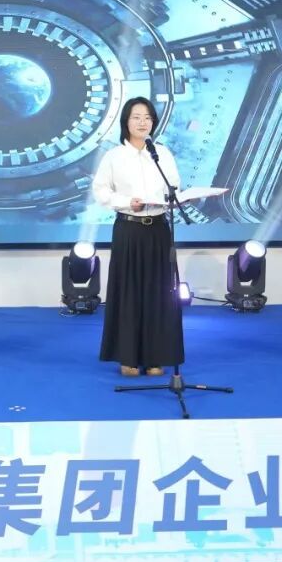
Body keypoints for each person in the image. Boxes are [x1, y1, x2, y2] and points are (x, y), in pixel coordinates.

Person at [93, 97, 185, 377]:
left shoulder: (162, 153)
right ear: (126, 121)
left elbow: (174, 187)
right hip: (129, 229)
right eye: (136, 117)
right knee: (129, 292)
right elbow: (101, 191)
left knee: (159, 293)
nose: (143, 122)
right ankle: (129, 357)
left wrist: (175, 199)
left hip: (158, 230)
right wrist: (125, 201)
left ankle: (156, 357)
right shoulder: (114, 156)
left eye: (147, 117)